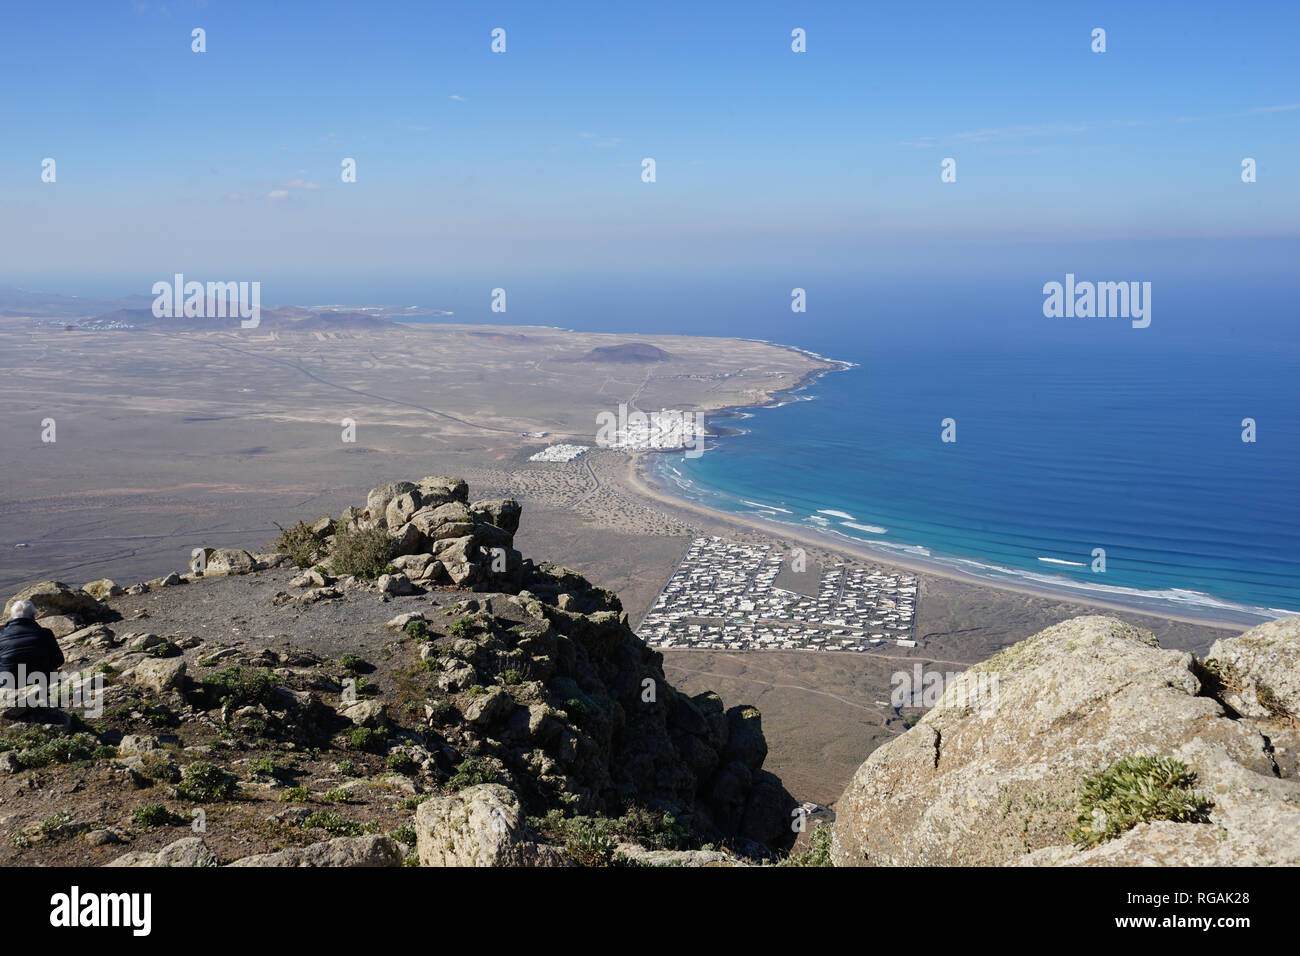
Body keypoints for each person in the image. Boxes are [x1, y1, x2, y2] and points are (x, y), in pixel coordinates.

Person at [0, 600, 65, 682]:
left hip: (8, 682)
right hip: (41, 678)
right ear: (33, 616)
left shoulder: (1, 636)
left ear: (12, 617)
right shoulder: (45, 633)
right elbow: (59, 660)